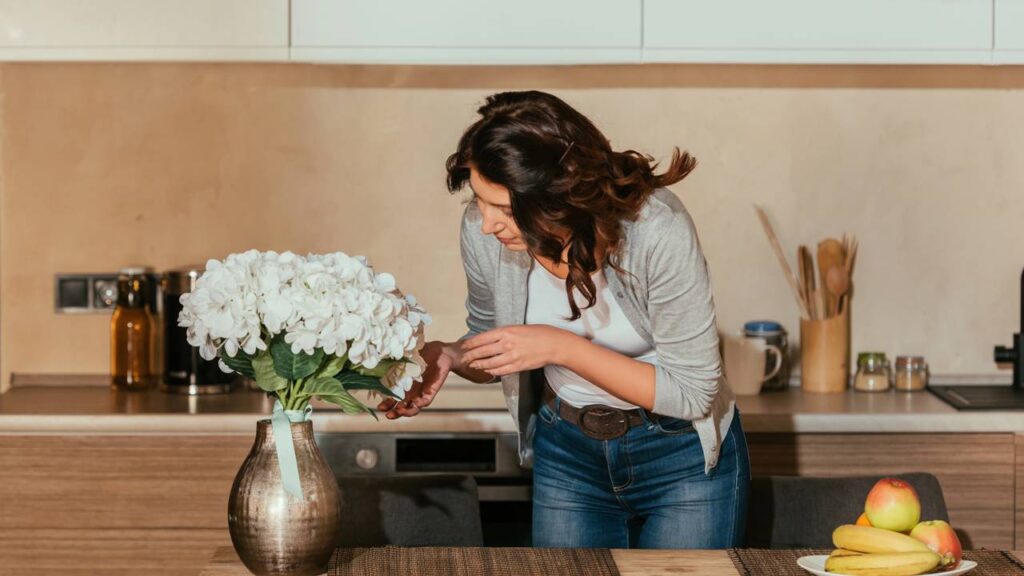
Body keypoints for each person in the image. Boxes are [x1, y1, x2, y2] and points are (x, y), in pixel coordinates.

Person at [378, 91, 749, 549]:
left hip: (680, 455)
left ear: (561, 196)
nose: (487, 224)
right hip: (568, 454)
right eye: (480, 200)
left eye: (506, 210)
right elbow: (497, 340)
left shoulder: (656, 228)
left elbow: (693, 393)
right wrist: (453, 355)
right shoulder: (485, 233)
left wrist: (561, 347)